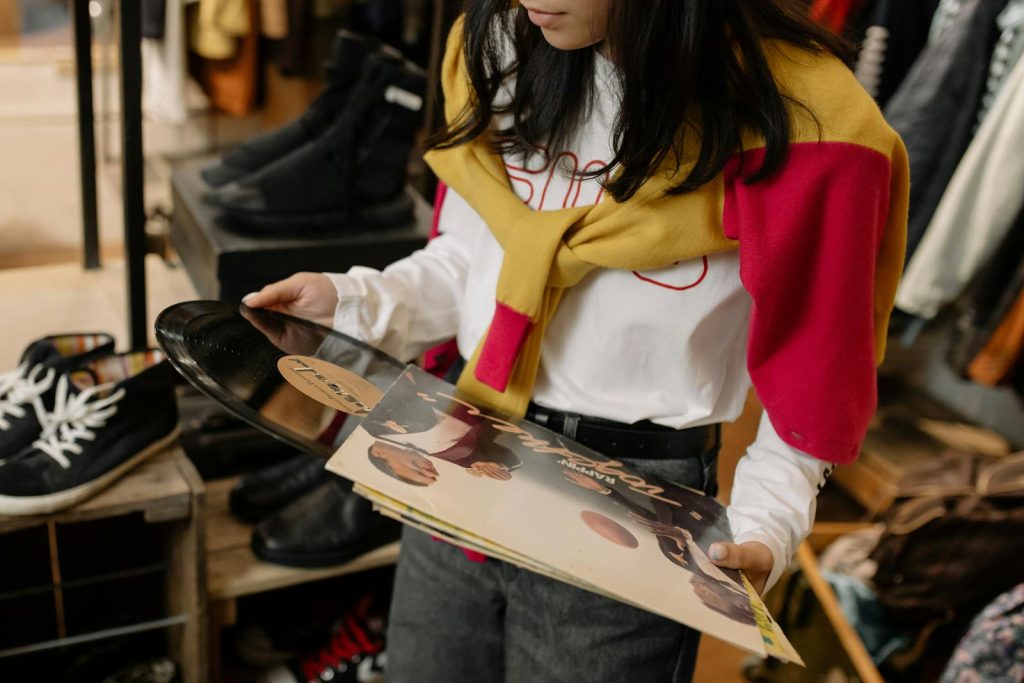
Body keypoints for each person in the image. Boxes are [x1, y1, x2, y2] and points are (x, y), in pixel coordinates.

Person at [243, 0, 908, 679]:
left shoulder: (810, 127)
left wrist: (769, 522)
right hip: (458, 443)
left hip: (630, 503)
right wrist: (353, 299)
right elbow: (472, 264)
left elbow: (815, 369)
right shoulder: (503, 44)